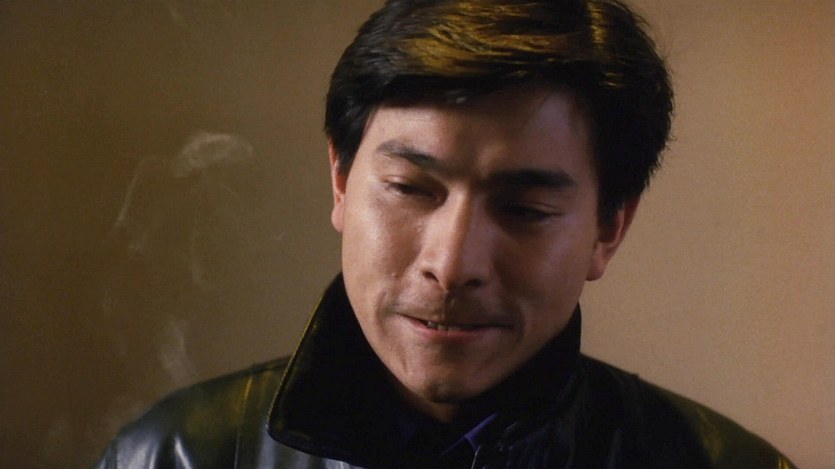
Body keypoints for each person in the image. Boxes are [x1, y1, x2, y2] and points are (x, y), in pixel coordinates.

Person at [94, 0, 795, 467]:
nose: (452, 263)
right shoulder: (177, 454)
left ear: (608, 228)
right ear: (341, 181)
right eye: (409, 189)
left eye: (524, 208)